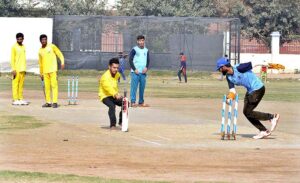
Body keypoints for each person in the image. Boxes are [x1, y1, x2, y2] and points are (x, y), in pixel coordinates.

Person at [216, 57, 280, 139]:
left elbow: (255, 62)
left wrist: (269, 64)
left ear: (224, 67)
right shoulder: (229, 77)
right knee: (246, 112)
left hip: (258, 89)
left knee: (248, 112)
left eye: (220, 69)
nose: (219, 71)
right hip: (250, 91)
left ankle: (272, 117)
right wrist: (229, 98)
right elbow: (232, 91)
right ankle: (263, 130)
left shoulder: (239, 68)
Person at [38, 34, 65, 108]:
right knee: (46, 87)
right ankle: (48, 102)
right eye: (42, 40)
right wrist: (41, 73)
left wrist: (62, 62)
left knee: (54, 86)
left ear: (47, 40)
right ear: (40, 41)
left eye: (45, 39)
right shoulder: (40, 51)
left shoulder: (51, 46)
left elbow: (59, 54)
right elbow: (40, 63)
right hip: (45, 72)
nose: (44, 41)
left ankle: (55, 102)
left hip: (53, 70)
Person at [99, 58, 123, 130]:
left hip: (114, 94)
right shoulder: (104, 77)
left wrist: (117, 94)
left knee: (125, 103)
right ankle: (113, 125)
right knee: (112, 106)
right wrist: (115, 94)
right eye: (114, 67)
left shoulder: (117, 75)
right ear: (109, 67)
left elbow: (114, 86)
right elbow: (108, 87)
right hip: (105, 96)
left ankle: (121, 121)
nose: (116, 69)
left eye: (117, 68)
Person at [129, 35, 150, 107]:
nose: (141, 42)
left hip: (143, 73)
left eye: (142, 40)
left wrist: (146, 67)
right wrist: (134, 69)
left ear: (144, 41)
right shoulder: (134, 49)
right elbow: (130, 60)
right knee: (134, 87)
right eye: (140, 40)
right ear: (137, 41)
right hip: (135, 72)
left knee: (142, 88)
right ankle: (133, 102)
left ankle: (141, 102)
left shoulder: (146, 50)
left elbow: (148, 60)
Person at [10, 33, 29, 105]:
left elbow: (23, 58)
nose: (19, 40)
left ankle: (20, 98)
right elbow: (12, 59)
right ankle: (15, 99)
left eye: (21, 39)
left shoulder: (23, 46)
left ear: (23, 39)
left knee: (21, 85)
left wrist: (25, 69)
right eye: (18, 39)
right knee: (15, 85)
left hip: (23, 69)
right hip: (16, 69)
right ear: (16, 39)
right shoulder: (14, 47)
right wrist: (13, 69)